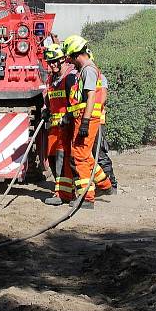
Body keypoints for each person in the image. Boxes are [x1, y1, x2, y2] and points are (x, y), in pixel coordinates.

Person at [62, 35, 114, 208]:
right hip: (82, 118)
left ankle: (87, 197)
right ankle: (104, 185)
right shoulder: (84, 70)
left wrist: (84, 122)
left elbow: (92, 96)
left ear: (77, 54)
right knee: (83, 155)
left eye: (70, 58)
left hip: (87, 119)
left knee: (80, 156)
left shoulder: (88, 70)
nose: (70, 61)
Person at [42, 43, 76, 206]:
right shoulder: (51, 78)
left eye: (55, 61)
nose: (52, 65)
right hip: (54, 127)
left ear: (63, 60)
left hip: (66, 127)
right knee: (52, 157)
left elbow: (75, 103)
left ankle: (64, 194)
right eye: (50, 62)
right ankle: (63, 190)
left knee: (64, 159)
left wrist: (69, 116)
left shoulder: (70, 77)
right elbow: (49, 99)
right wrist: (46, 110)